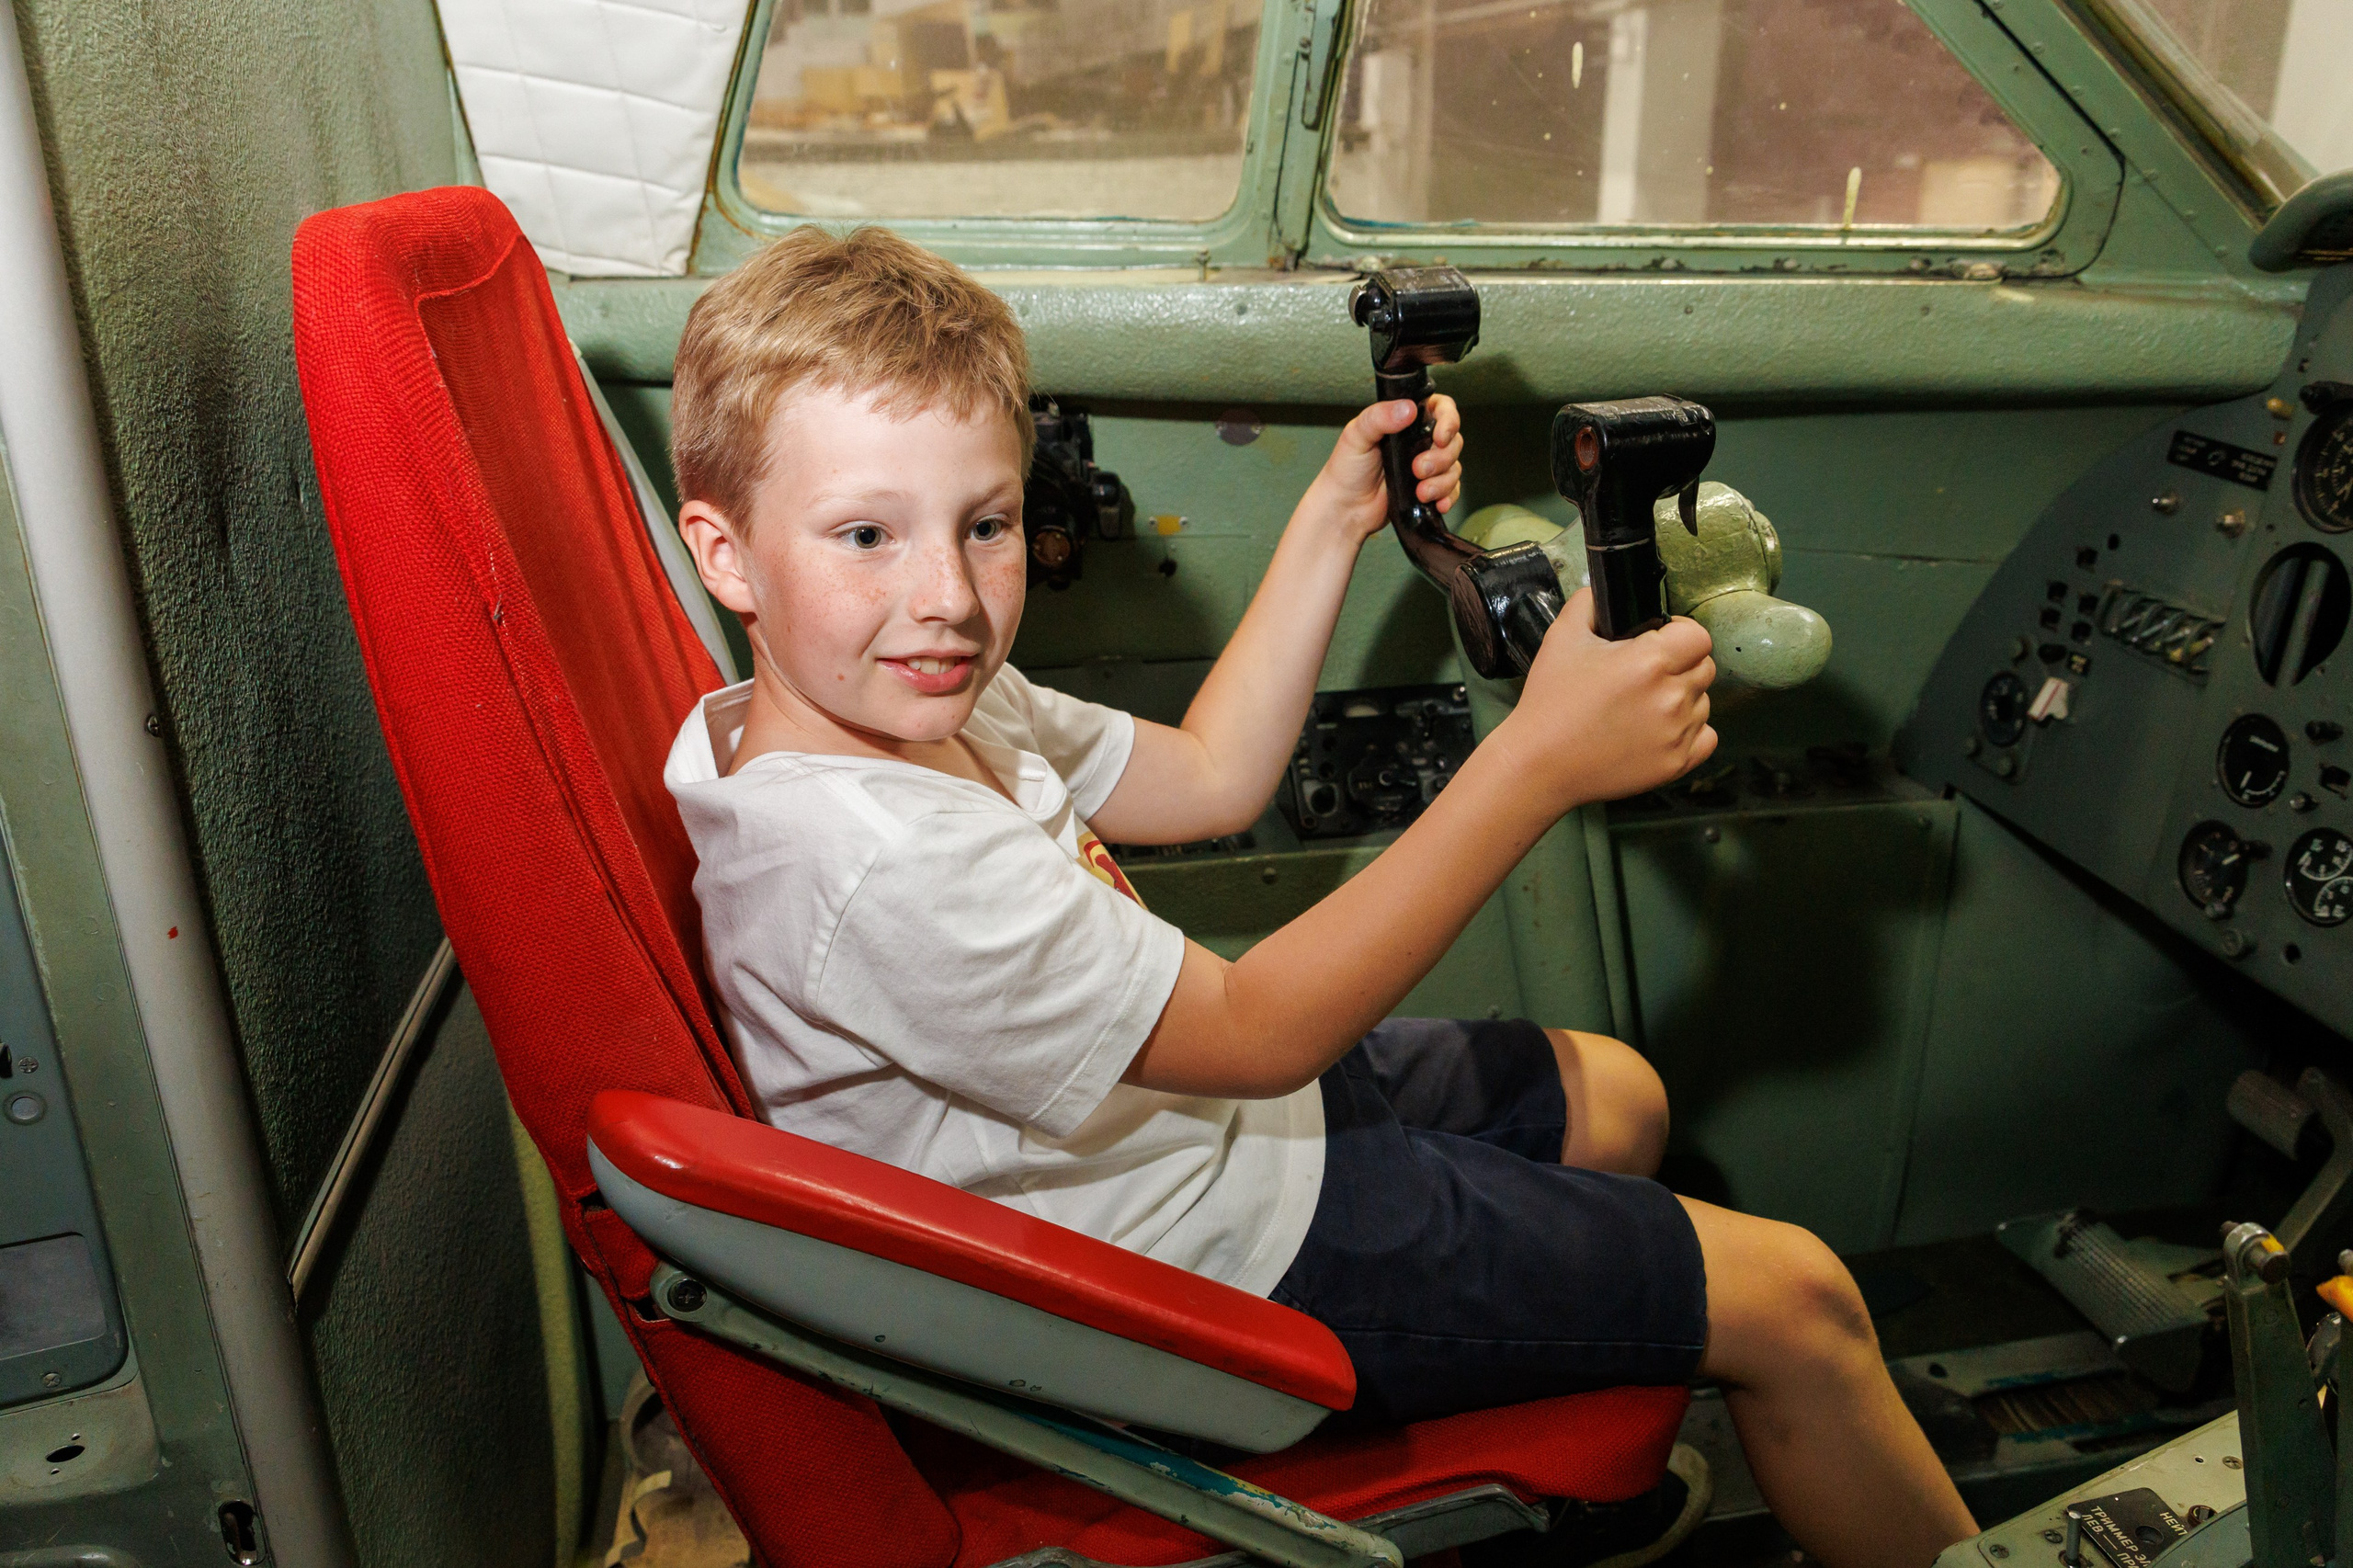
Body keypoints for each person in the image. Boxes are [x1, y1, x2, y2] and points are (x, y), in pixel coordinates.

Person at [663, 224, 1977, 1568]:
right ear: (727, 554)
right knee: (1804, 1302)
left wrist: (1338, 517)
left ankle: (1572, 1466)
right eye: (867, 533)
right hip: (1199, 1260)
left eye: (985, 524)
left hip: (1195, 1138)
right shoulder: (873, 856)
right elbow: (1254, 1027)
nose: (946, 595)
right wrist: (1536, 762)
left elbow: (1214, 775)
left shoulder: (900, 695)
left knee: (1621, 1095)